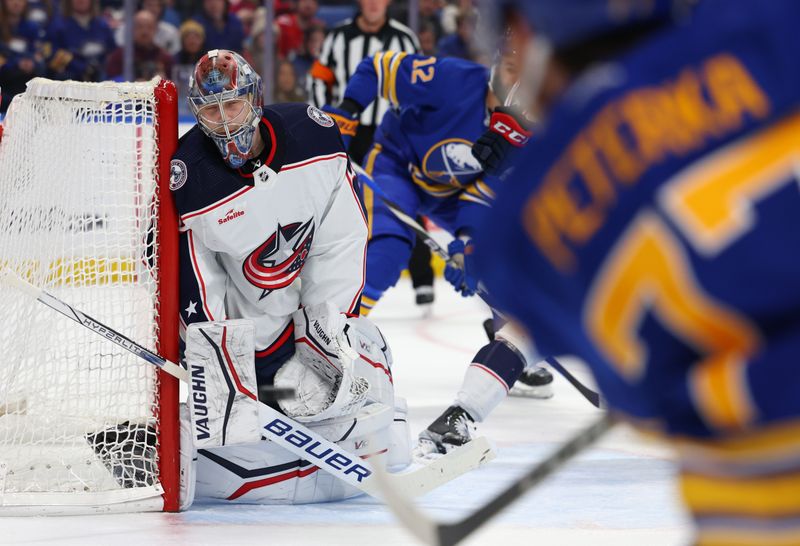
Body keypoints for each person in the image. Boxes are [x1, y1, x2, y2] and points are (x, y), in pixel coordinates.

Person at [475, 1, 800, 544]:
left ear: (532, 34)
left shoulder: (519, 230)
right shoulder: (768, 22)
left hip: (765, 503)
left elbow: (635, 404)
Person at [171, 50, 408, 505]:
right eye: (209, 109)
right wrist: (220, 360)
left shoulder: (312, 138)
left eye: (233, 105)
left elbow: (339, 241)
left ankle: (375, 425)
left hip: (304, 332)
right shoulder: (192, 179)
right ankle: (271, 444)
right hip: (253, 354)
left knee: (364, 355)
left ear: (255, 99)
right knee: (242, 429)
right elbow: (200, 280)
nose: (223, 121)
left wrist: (324, 326)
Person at [323, 48, 554, 456]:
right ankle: (326, 344)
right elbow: (377, 67)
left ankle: (505, 349)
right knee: (389, 251)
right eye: (511, 64)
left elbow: (483, 199)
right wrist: (349, 110)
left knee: (500, 271)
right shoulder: (451, 78)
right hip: (398, 168)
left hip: (454, 195)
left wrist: (466, 245)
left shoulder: (523, 132)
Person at [307, 0, 418, 165]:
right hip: (343, 129)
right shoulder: (337, 36)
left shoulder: (405, 40)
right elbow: (319, 80)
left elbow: (415, 89)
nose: (374, 3)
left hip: (388, 133)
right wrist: (324, 122)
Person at [44, 0, 115, 81]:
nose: (81, 1)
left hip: (101, 78)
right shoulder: (57, 26)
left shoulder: (103, 26)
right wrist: (80, 67)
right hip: (69, 80)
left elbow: (112, 53)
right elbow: (50, 55)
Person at [0, 0, 43, 112]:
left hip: (26, 79)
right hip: (4, 79)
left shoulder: (32, 26)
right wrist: (16, 63)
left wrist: (32, 62)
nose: (16, 3)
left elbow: (38, 53)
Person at [106, 9, 172, 80]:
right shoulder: (120, 55)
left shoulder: (165, 58)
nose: (145, 31)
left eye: (149, 27)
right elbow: (111, 84)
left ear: (156, 29)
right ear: (132, 29)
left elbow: (175, 85)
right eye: (140, 27)